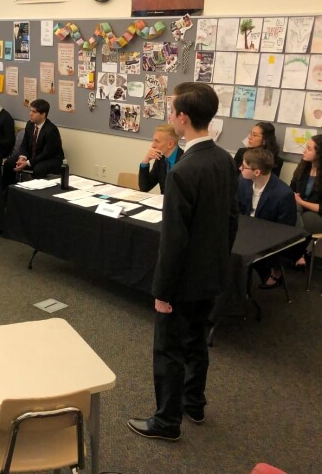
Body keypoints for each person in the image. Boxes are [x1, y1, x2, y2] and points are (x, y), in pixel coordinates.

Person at [127, 82, 238, 442]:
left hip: (183, 281)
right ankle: (194, 403)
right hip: (212, 274)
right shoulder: (224, 159)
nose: (169, 117)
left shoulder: (183, 171)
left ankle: (167, 420)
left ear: (183, 118)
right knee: (195, 344)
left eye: (172, 111)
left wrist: (162, 291)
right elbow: (231, 221)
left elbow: (173, 240)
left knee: (169, 349)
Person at [238, 148, 297, 288]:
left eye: (244, 166)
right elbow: (237, 207)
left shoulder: (283, 194)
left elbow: (284, 229)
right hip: (244, 229)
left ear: (257, 172)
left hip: (267, 236)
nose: (240, 168)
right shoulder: (243, 180)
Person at [7, 99, 65, 180]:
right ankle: (8, 190)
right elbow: (24, 144)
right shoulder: (29, 124)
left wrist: (27, 163)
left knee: (39, 169)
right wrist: (22, 157)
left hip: (50, 159)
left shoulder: (51, 130)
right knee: (9, 162)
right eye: (30, 111)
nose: (30, 114)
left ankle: (36, 191)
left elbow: (46, 154)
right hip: (33, 156)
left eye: (34, 112)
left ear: (43, 114)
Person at [289, 134, 322, 269]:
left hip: (317, 216)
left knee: (300, 216)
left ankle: (294, 253)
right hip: (299, 210)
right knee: (292, 212)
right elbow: (290, 189)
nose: (304, 151)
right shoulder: (303, 167)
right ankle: (299, 254)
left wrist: (301, 202)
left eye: (309, 149)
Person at [139, 124, 184, 194]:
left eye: (157, 141)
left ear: (170, 144)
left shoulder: (184, 161)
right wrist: (145, 160)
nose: (153, 145)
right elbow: (144, 187)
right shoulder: (160, 159)